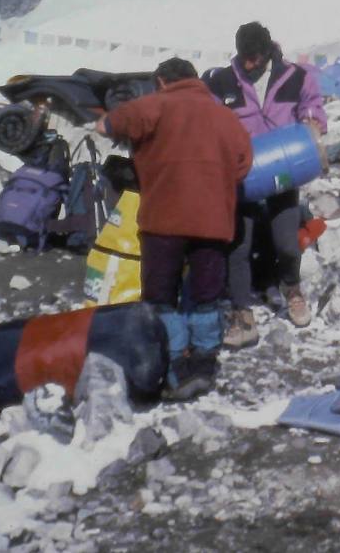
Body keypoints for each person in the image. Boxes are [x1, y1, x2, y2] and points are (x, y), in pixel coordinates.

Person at [96, 57, 252, 401]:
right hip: (213, 220)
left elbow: (106, 126)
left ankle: (175, 361)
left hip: (164, 219)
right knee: (206, 294)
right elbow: (243, 165)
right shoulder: (225, 117)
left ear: (163, 82)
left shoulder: (153, 105)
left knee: (162, 296)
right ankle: (205, 359)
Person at [203, 22, 327, 347]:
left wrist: (313, 121)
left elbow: (311, 103)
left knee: (286, 242)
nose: (248, 64)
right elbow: (210, 120)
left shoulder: (295, 76)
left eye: (254, 57)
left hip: (284, 169)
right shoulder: (222, 80)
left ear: (267, 51)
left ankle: (293, 289)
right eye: (244, 57)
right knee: (238, 247)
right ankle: (242, 313)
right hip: (242, 175)